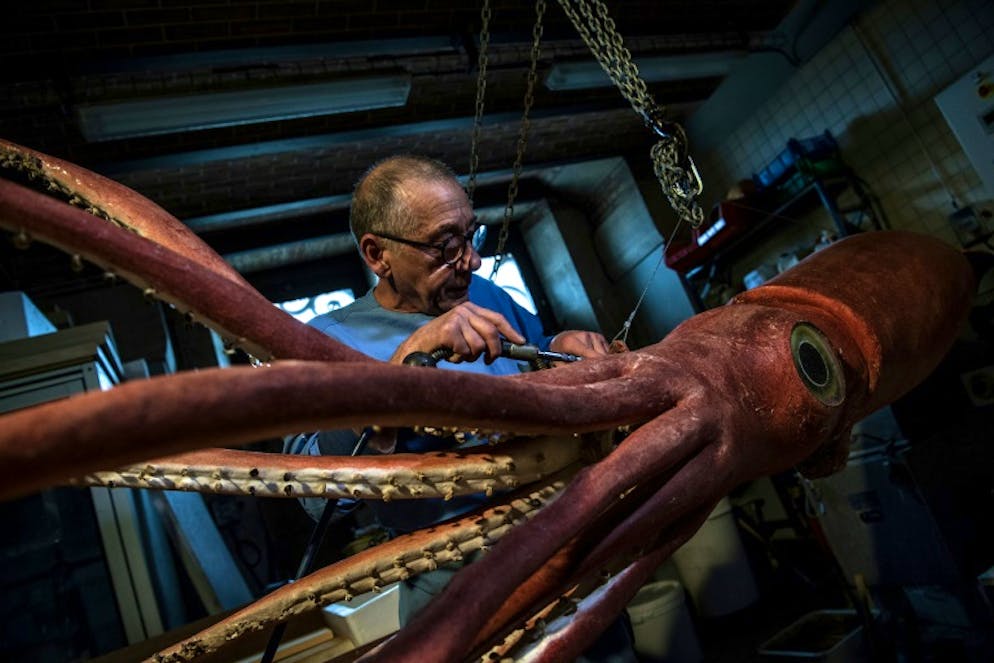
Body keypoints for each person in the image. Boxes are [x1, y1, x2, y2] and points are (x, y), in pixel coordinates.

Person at [287, 154, 635, 660]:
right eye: (446, 246)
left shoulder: (485, 292)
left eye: (472, 237)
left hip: (563, 541)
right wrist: (401, 371)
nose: (470, 260)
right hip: (454, 579)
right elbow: (315, 496)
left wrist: (561, 346)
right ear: (377, 254)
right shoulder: (327, 344)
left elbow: (533, 354)